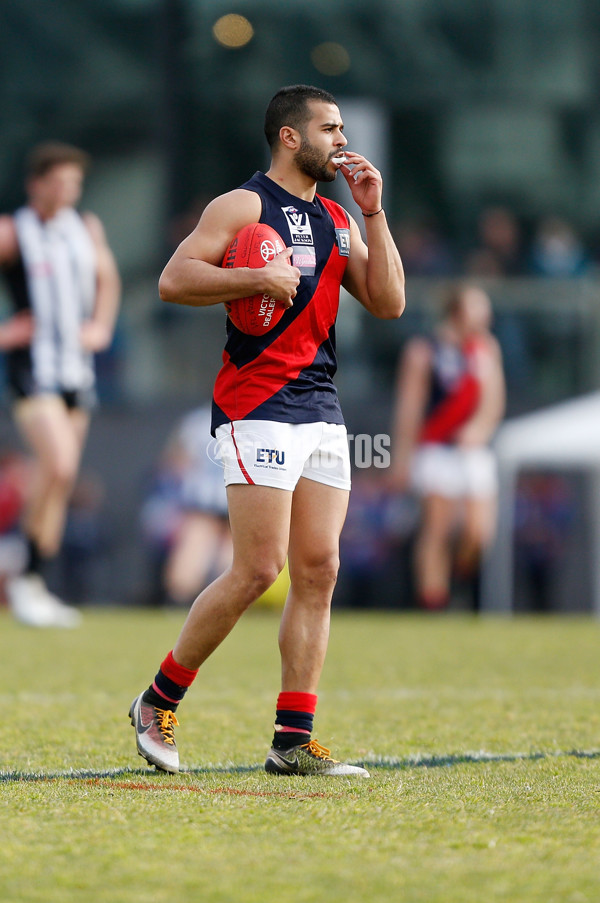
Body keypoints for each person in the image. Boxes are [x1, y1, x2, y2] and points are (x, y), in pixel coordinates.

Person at [129, 84, 405, 776]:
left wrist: (374, 214)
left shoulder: (343, 218)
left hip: (322, 407)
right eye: (329, 128)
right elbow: (172, 279)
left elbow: (390, 302)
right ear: (290, 137)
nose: (341, 140)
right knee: (258, 568)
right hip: (256, 403)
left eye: (343, 128)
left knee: (320, 568)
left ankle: (293, 739)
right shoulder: (244, 205)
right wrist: (253, 277)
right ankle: (157, 700)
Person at [0, 142, 121, 627]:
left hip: (76, 370)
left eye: (74, 183)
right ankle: (23, 574)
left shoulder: (85, 227)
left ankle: (32, 582)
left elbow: (107, 279)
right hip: (33, 370)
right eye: (59, 182)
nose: (67, 191)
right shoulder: (13, 232)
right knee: (59, 462)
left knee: (61, 476)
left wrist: (102, 326)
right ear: (37, 184)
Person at [389, 282, 505, 611]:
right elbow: (410, 407)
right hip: (436, 448)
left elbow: (493, 401)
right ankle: (433, 601)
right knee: (437, 528)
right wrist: (403, 457)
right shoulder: (425, 349)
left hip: (471, 450)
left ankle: (461, 578)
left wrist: (479, 429)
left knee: (478, 533)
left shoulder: (486, 349)